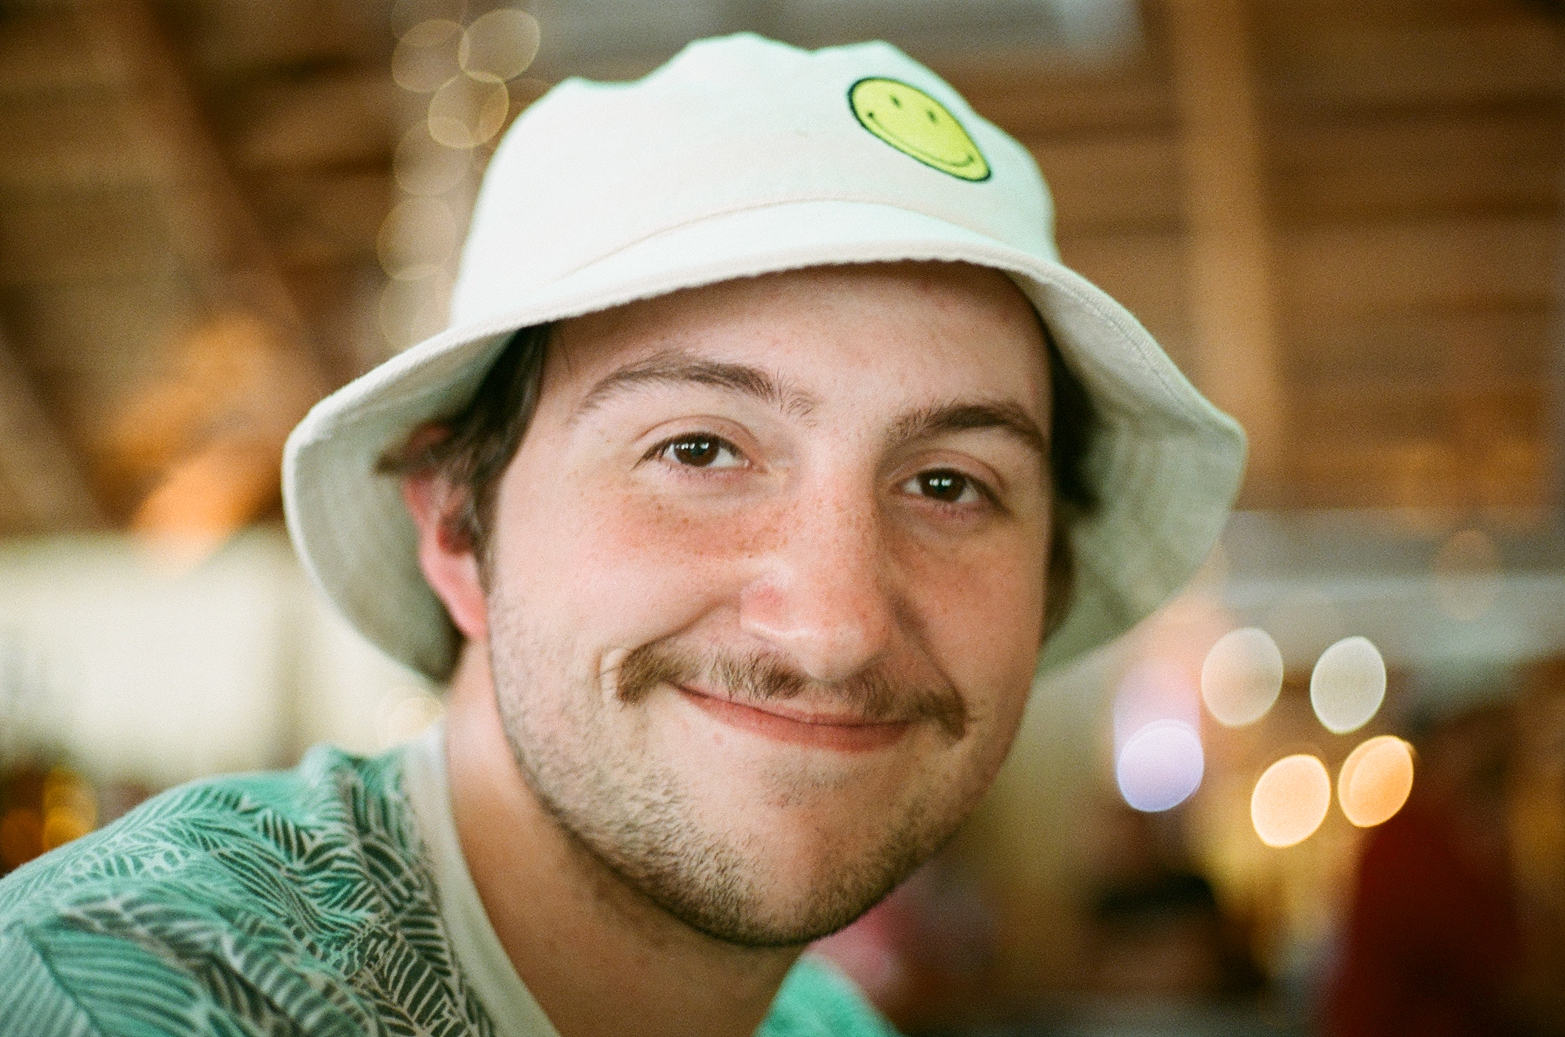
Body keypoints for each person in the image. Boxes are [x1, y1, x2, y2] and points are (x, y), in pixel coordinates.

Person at [0, 34, 1244, 1037]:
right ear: (456, 523)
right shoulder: (142, 986)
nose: (833, 625)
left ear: (1049, 575)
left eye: (946, 483)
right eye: (697, 450)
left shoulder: (823, 1021)